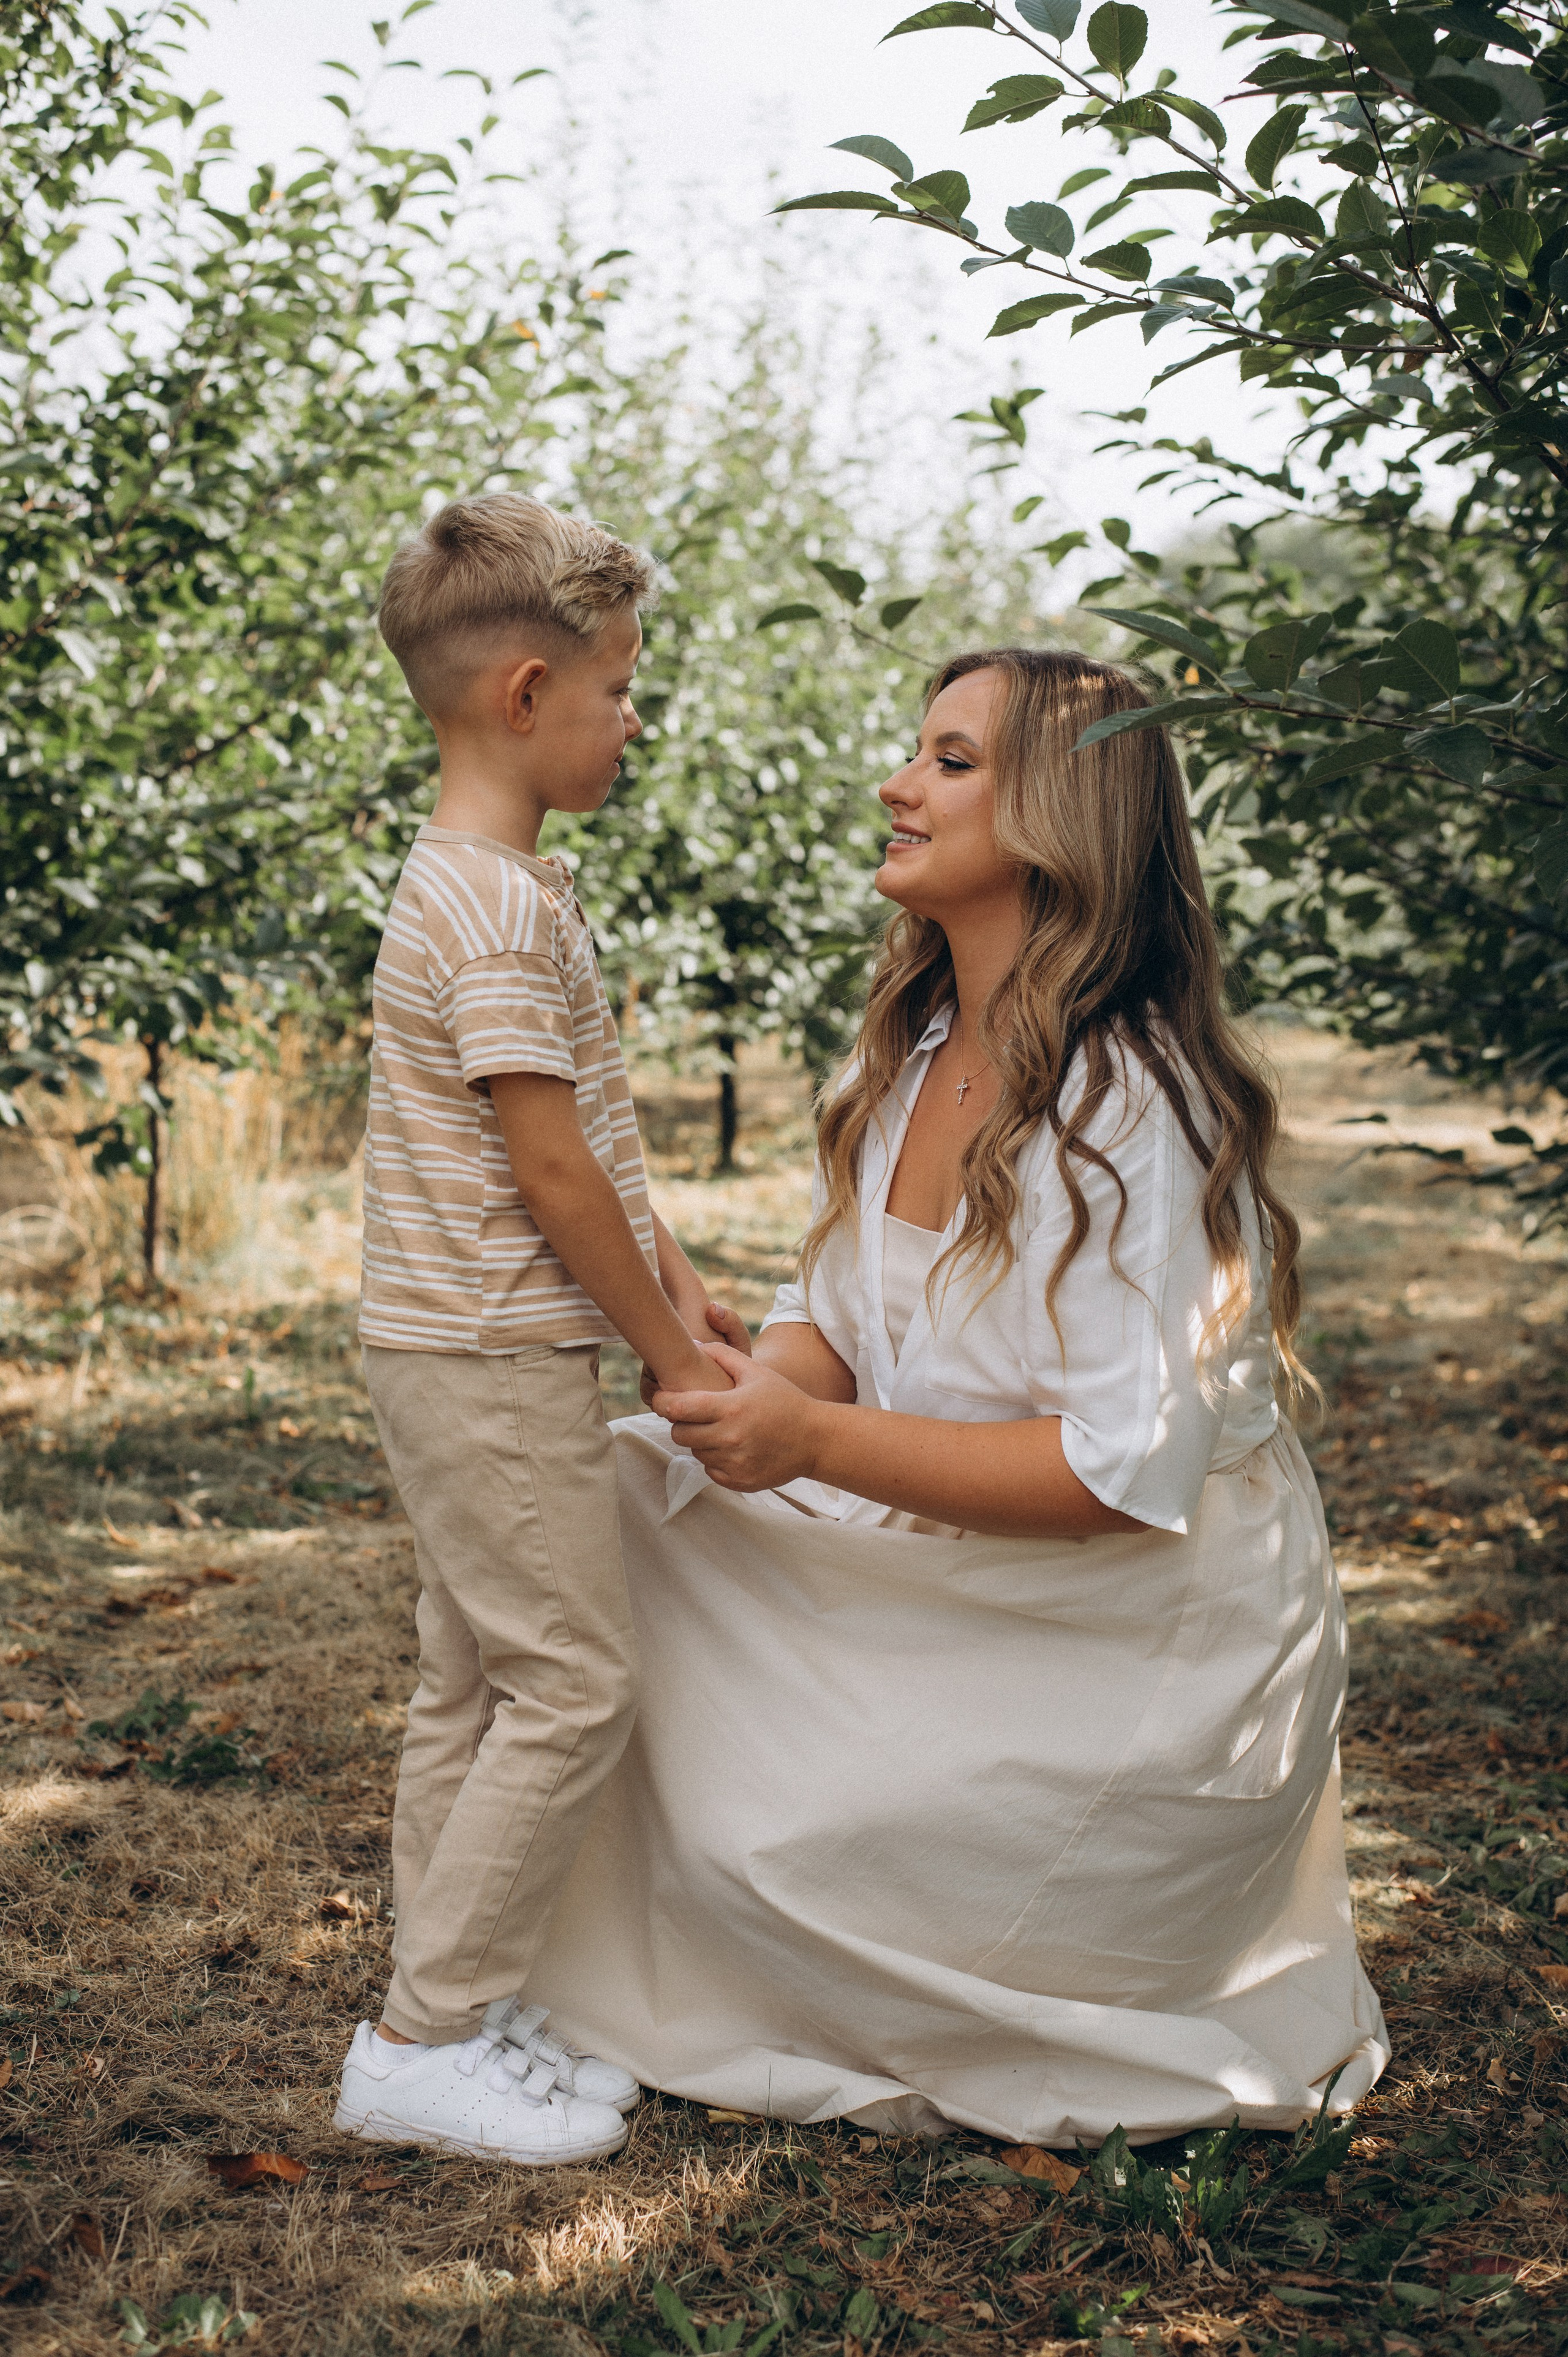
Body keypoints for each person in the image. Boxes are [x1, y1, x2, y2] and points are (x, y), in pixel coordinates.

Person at [523, 647, 1390, 2146]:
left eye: (948, 760)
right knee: (609, 1493)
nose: (894, 786)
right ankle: (560, 1956)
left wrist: (808, 1440)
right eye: (912, 753)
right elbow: (842, 1323)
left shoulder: (1133, 1106)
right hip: (952, 1546)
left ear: (1064, 813)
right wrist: (743, 1387)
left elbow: (1121, 1474)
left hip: (1128, 1631)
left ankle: (941, 1930)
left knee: (775, 1839)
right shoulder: (920, 1051)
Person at [333, 494, 731, 2167]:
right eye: (620, 685)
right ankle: (422, 2041)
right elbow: (550, 1171)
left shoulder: (487, 884)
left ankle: (454, 1995)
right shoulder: (494, 906)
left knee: (475, 1681)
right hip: (492, 1352)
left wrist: (682, 1271)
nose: (633, 716)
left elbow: (599, 1154)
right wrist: (667, 1344)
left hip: (454, 1342)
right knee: (571, 1679)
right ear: (523, 692)